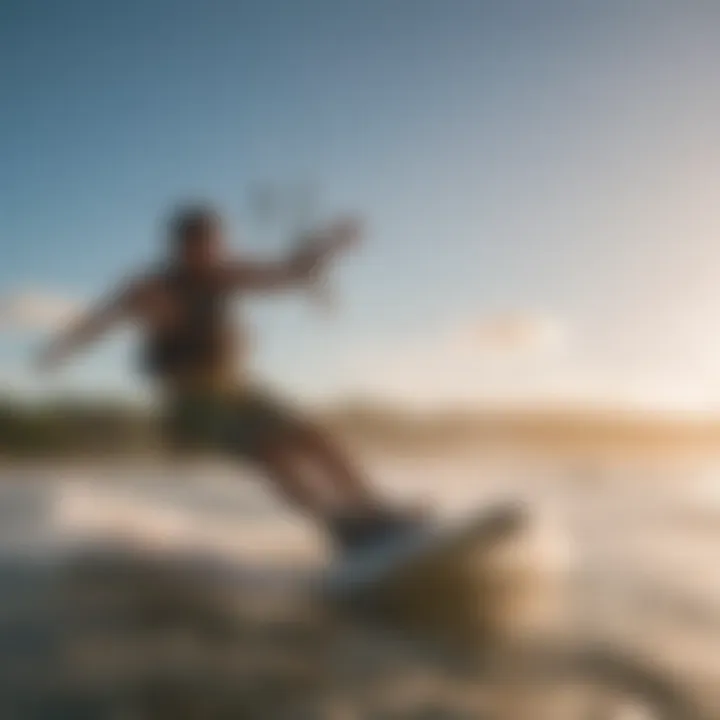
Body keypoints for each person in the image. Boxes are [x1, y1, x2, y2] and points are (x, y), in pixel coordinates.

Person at [36, 204, 422, 553]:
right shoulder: (150, 288)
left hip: (238, 389)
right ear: (180, 247)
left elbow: (288, 272)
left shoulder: (225, 276)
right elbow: (100, 320)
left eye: (214, 244)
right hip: (192, 404)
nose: (209, 254)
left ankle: (374, 512)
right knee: (272, 452)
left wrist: (328, 243)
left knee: (316, 439)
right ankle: (340, 529)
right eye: (199, 246)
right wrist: (61, 349)